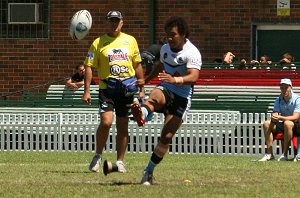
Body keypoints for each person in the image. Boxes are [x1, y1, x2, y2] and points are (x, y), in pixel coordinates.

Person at [130, 16, 202, 185]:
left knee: (166, 137)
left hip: (182, 98)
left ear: (183, 34)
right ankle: (143, 112)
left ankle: (149, 171)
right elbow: (160, 67)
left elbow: (194, 76)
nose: (169, 38)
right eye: (167, 35)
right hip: (167, 89)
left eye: (173, 35)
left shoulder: (192, 52)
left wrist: (175, 80)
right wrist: (146, 81)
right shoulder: (164, 49)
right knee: (155, 95)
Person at [82, 10, 145, 173]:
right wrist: (87, 90)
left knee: (123, 125)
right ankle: (97, 155)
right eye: (111, 21)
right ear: (107, 22)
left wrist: (142, 89)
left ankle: (120, 161)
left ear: (122, 22)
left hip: (126, 88)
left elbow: (137, 65)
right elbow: (89, 66)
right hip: (107, 89)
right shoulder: (98, 42)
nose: (114, 23)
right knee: (106, 122)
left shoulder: (130, 41)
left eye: (117, 20)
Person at [258, 78, 300, 162]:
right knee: (266, 123)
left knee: (288, 123)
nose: (284, 89)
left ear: (291, 87)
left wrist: (280, 117)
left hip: (297, 126)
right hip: (284, 123)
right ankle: (269, 154)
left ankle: (284, 155)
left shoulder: (297, 99)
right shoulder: (278, 99)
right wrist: (274, 117)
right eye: (282, 87)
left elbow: (295, 117)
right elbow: (275, 113)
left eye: (286, 87)